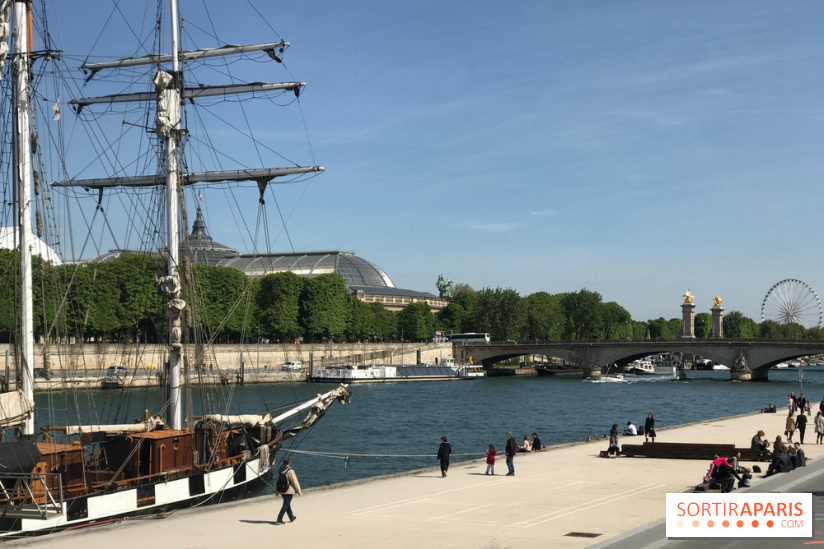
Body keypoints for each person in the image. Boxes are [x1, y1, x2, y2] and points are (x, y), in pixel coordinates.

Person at [275, 458, 302, 525]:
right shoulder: (290, 471)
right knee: (286, 504)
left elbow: (276, 481)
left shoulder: (279, 471)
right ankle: (279, 518)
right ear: (289, 463)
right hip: (289, 491)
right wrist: (299, 491)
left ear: (283, 463)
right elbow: (294, 482)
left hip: (281, 490)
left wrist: (276, 491)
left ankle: (291, 517)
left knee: (287, 504)